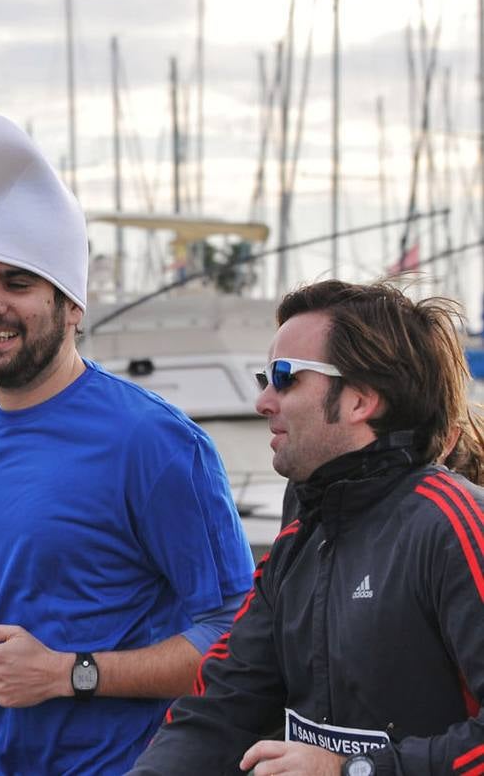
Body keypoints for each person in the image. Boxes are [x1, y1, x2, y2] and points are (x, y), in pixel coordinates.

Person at [0, 112, 254, 774]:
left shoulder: (155, 442)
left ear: (72, 305)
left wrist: (69, 673)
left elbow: (233, 641)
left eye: (17, 283)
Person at [129, 279, 484, 776]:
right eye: (262, 378)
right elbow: (222, 708)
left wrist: (351, 769)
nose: (263, 402)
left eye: (285, 376)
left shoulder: (452, 525)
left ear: (360, 400)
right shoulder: (303, 533)